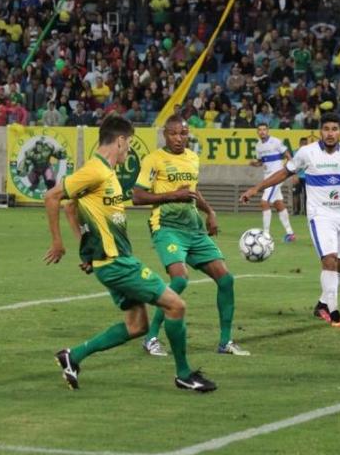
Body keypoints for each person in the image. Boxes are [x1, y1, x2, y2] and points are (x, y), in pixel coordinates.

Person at [43, 115, 215, 392]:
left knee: (136, 326)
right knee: (176, 305)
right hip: (117, 263)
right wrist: (58, 243)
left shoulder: (105, 173)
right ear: (120, 140)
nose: (129, 150)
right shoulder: (95, 171)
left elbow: (71, 208)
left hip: (110, 260)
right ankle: (184, 374)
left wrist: (86, 251)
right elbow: (53, 197)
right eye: (129, 143)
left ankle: (72, 356)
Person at [240, 113, 340, 328]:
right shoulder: (306, 153)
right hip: (320, 216)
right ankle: (334, 313)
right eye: (326, 128)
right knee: (330, 259)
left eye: (334, 128)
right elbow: (283, 173)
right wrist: (256, 188)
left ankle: (321, 304)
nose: (330, 133)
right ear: (321, 131)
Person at [132, 115, 249, 357]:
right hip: (166, 226)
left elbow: (193, 192)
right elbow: (137, 196)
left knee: (226, 280)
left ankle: (225, 342)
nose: (178, 138)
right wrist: (170, 196)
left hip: (193, 228)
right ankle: (151, 338)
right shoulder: (154, 159)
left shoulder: (192, 158)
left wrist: (210, 211)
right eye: (174, 133)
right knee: (180, 280)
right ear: (165, 134)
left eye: (183, 133)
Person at [249, 123, 296, 242]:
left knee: (264, 202)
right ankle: (290, 233)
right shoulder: (258, 146)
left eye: (264, 129)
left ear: (268, 131)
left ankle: (266, 235)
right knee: (278, 204)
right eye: (260, 130)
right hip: (267, 178)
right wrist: (255, 163)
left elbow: (287, 155)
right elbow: (261, 162)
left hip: (276, 178)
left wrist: (293, 169)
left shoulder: (275, 142)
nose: (262, 132)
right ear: (257, 132)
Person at [291, 137, 309, 215]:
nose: (304, 145)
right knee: (295, 193)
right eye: (303, 144)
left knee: (307, 195)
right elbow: (292, 165)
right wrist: (294, 175)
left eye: (306, 144)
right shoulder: (295, 152)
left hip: (307, 177)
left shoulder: (310, 153)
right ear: (300, 144)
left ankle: (306, 211)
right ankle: (296, 211)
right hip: (297, 177)